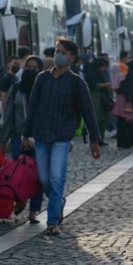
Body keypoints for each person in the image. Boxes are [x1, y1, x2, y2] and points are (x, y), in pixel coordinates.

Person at [22, 38, 101, 236]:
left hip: (62, 136)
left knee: (57, 177)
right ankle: (60, 202)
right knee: (44, 179)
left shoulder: (76, 82)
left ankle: (52, 221)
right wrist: (26, 133)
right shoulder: (42, 78)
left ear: (71, 56)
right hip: (41, 134)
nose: (58, 54)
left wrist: (94, 139)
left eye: (63, 51)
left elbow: (88, 111)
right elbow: (32, 107)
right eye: (57, 50)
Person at [0, 55, 44, 224]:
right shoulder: (16, 89)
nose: (31, 70)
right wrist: (3, 141)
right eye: (29, 67)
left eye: (35, 67)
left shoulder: (44, 89)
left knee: (38, 176)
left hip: (39, 139)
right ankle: (21, 199)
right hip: (18, 137)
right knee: (20, 173)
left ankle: (33, 211)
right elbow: (8, 115)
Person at [113, 60, 133, 148]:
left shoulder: (125, 75)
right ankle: (131, 140)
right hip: (128, 100)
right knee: (129, 122)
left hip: (123, 99)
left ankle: (124, 142)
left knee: (122, 122)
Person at [84, 57, 113, 147]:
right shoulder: (91, 73)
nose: (104, 69)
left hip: (103, 98)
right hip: (94, 98)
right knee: (96, 119)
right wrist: (104, 85)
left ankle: (101, 138)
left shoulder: (102, 74)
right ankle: (95, 139)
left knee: (103, 119)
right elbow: (91, 85)